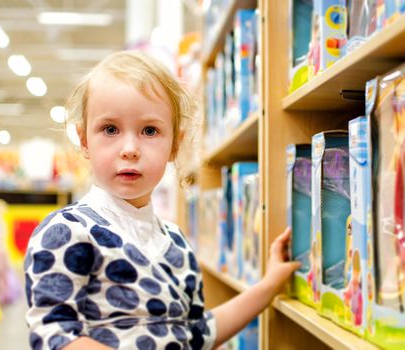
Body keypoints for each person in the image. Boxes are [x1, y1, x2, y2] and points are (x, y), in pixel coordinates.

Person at [24, 50, 300, 350]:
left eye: (150, 131)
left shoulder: (177, 243)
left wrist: (270, 284)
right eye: (110, 129)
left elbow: (197, 334)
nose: (130, 148)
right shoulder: (68, 231)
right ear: (85, 140)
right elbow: (55, 333)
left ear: (174, 145)